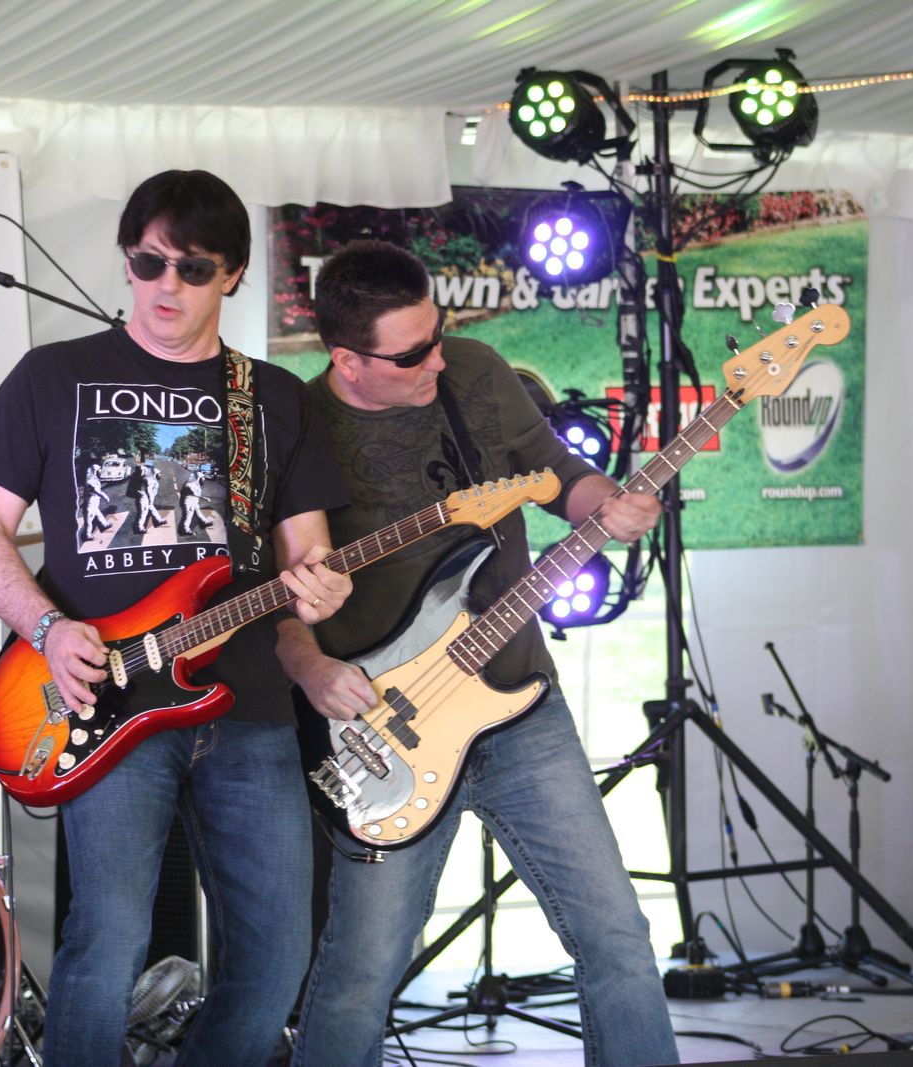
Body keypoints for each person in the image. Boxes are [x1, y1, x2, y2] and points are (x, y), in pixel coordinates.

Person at [0, 169, 352, 1067]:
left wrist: (323, 590)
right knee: (107, 941)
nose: (166, 285)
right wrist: (48, 629)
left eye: (193, 267)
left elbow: (309, 558)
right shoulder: (53, 377)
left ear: (234, 274)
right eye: (148, 262)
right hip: (102, 700)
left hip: (247, 705)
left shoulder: (272, 398)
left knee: (277, 951)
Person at [284, 240, 678, 1067]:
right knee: (360, 974)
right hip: (388, 731)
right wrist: (312, 667)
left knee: (616, 934)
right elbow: (269, 596)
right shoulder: (299, 427)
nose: (437, 358)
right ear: (347, 360)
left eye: (438, 334)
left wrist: (604, 502)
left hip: (520, 704)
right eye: (411, 354)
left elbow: (559, 473)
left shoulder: (475, 372)